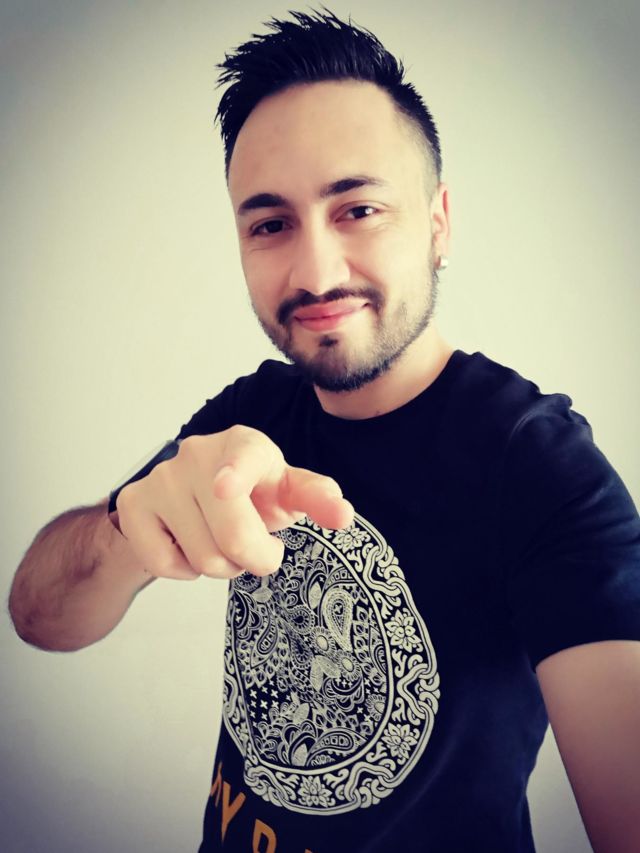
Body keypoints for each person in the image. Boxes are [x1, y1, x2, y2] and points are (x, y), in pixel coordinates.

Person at [8, 9, 640, 853]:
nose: (314, 272)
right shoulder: (250, 415)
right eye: (270, 224)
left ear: (439, 223)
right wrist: (129, 528)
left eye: (359, 209)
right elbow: (37, 616)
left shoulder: (538, 464)